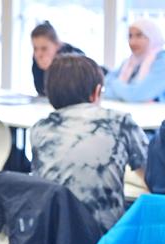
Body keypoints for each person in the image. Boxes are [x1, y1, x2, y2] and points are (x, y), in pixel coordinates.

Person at [31, 54, 148, 231]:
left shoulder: (39, 129)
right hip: (105, 238)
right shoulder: (118, 121)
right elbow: (151, 176)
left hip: (53, 236)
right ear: (96, 92)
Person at [105, 18, 165, 102]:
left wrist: (114, 83)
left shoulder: (161, 61)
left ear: (153, 36)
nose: (132, 42)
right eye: (130, 36)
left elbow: (135, 95)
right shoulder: (129, 62)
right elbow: (105, 87)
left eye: (139, 36)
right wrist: (125, 92)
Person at [31, 21, 84, 96]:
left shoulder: (77, 59)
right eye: (35, 48)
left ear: (57, 45)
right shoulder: (37, 58)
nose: (38, 54)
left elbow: (71, 93)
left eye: (44, 48)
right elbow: (41, 90)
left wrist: (52, 69)